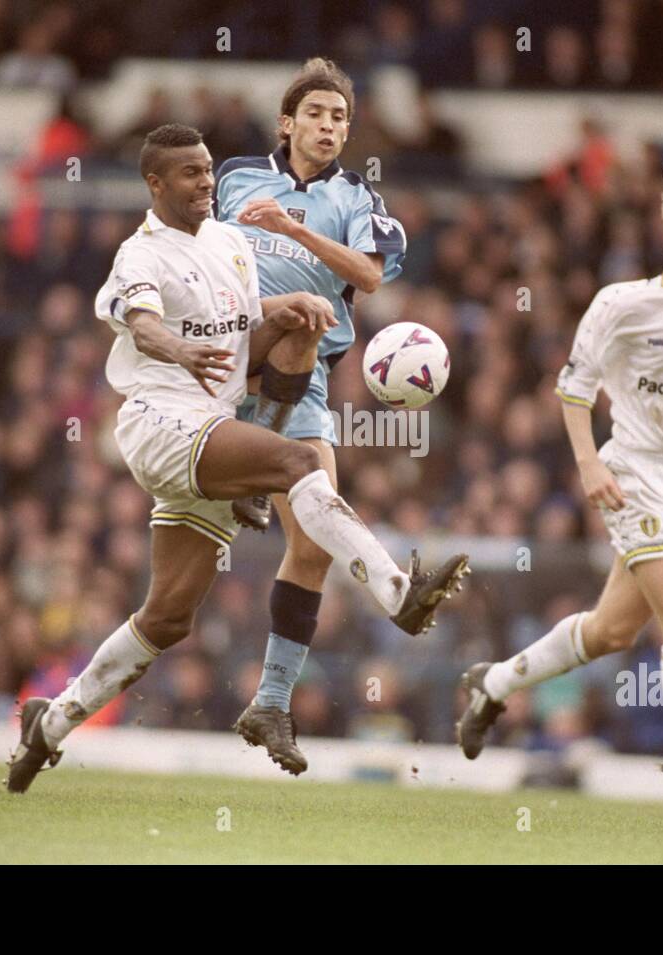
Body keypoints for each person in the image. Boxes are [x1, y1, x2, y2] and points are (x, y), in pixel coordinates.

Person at [6, 124, 466, 793]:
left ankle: (49, 724)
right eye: (189, 174)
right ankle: (397, 591)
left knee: (167, 617)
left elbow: (245, 341)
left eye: (208, 170)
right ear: (155, 184)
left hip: (213, 432)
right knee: (300, 466)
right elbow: (142, 323)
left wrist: (288, 312)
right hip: (161, 426)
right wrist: (177, 349)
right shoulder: (141, 255)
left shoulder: (227, 243)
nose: (204, 183)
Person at [455, 174, 663, 821]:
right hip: (630, 471)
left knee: (610, 632)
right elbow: (573, 388)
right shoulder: (624, 303)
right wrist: (588, 464)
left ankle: (492, 684)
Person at [212, 59, 408, 774]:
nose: (329, 127)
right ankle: (254, 460)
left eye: (341, 119)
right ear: (287, 122)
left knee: (316, 540)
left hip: (305, 377)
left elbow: (372, 273)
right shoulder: (232, 176)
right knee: (300, 312)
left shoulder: (354, 196)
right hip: (228, 357)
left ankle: (269, 701)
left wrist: (294, 235)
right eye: (317, 114)